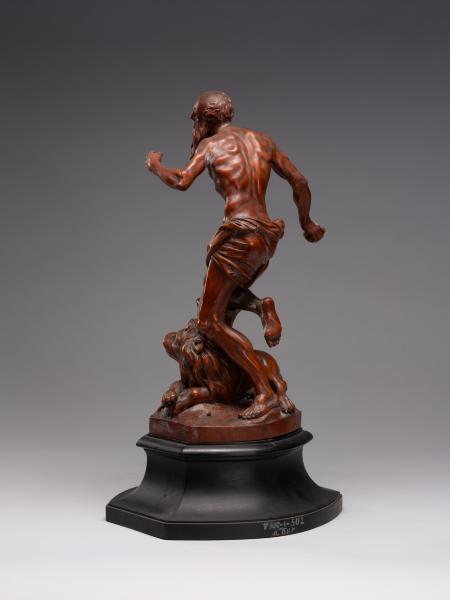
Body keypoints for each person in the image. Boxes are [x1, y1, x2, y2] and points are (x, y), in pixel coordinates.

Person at [147, 91, 325, 419]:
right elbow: (299, 181)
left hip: (238, 235)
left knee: (208, 322)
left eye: (195, 117)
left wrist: (155, 165)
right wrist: (307, 223)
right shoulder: (263, 141)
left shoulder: (210, 145)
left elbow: (181, 180)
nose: (193, 123)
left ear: (205, 119)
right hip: (266, 237)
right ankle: (260, 306)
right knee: (223, 301)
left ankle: (263, 391)